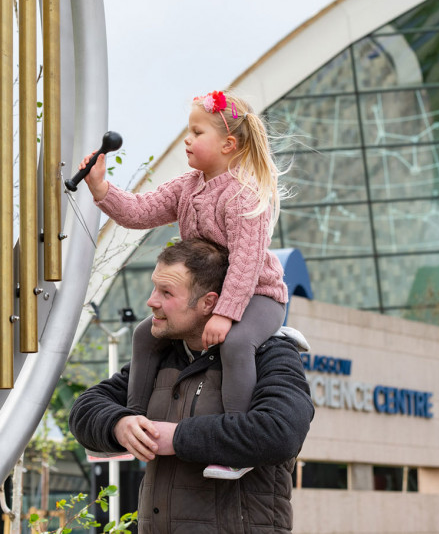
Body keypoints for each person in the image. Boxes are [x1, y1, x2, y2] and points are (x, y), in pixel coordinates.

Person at [78, 90, 289, 478]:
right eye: (188, 131)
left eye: (197, 132)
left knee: (238, 343)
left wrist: (225, 315)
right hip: (210, 299)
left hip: (257, 294)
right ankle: (136, 423)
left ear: (228, 144)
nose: (187, 139)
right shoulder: (187, 186)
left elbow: (245, 266)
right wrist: (101, 189)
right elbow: (140, 212)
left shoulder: (244, 195)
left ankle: (235, 447)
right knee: (145, 335)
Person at [68, 238, 314, 532]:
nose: (151, 301)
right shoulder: (160, 358)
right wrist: (119, 424)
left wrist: (177, 438)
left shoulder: (271, 353)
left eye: (166, 292)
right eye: (154, 287)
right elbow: (84, 410)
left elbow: (282, 432)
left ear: (208, 302)